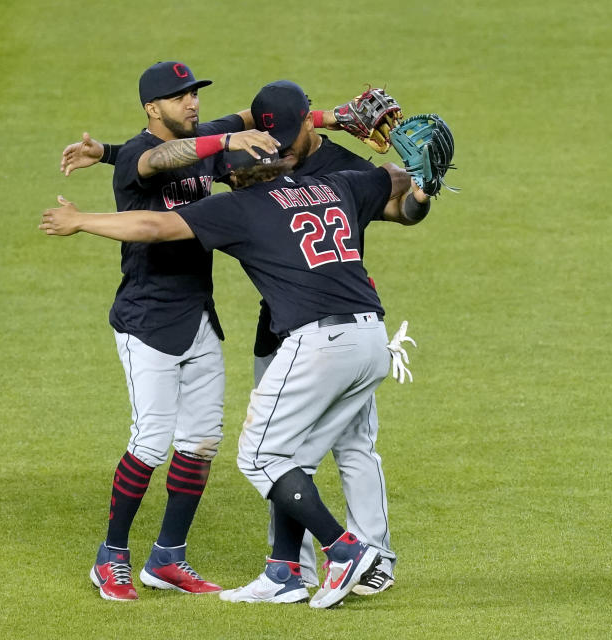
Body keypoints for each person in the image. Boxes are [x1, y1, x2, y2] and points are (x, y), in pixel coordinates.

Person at [39, 88, 433, 609]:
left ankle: (346, 551)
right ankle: (285, 573)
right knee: (300, 455)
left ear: (239, 173)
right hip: (373, 339)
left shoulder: (241, 208)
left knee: (260, 455)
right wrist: (424, 183)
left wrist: (81, 220)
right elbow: (396, 185)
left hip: (319, 343)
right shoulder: (335, 182)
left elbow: (155, 226)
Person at [79, 60, 282, 602]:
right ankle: (111, 557)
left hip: (198, 316)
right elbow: (156, 159)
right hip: (146, 319)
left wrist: (321, 116)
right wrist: (226, 138)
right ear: (152, 108)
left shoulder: (197, 138)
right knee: (149, 443)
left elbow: (243, 118)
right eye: (180, 97)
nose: (191, 103)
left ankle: (167, 557)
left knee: (200, 442)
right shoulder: (145, 157)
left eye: (194, 94)